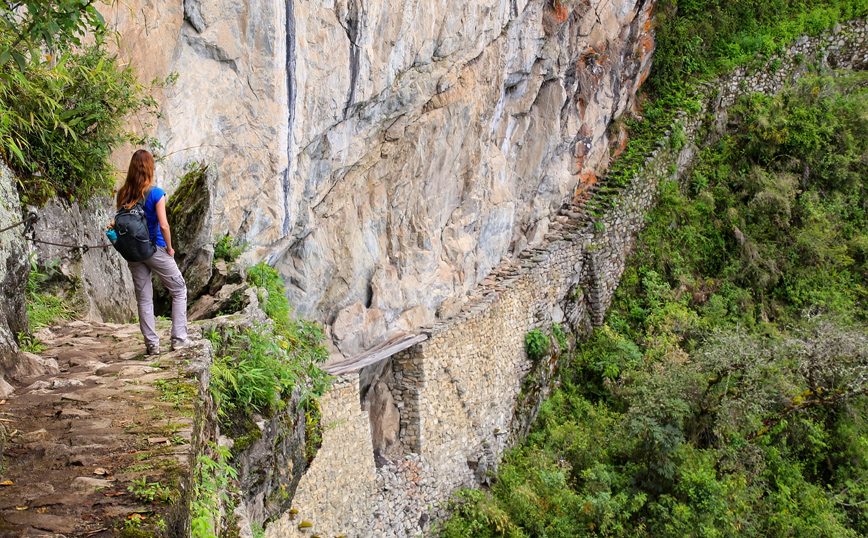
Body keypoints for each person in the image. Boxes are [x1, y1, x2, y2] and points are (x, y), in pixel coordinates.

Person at [116, 149, 193, 355]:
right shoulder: (156, 193)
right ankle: (179, 338)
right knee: (178, 289)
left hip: (133, 252)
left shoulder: (123, 193)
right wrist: (169, 248)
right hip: (155, 248)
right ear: (150, 169)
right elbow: (164, 225)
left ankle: (151, 345)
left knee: (144, 298)